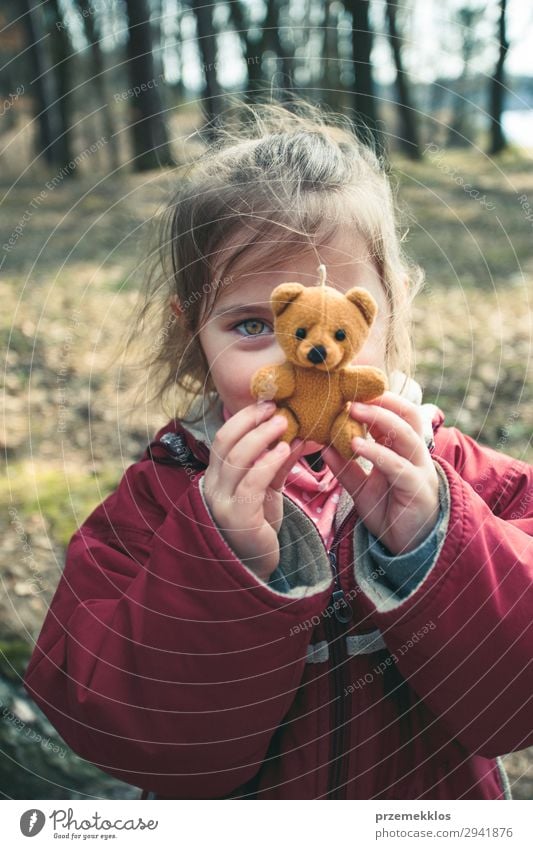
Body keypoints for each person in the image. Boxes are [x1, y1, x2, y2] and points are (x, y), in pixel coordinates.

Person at [24, 101, 533, 800]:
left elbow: (514, 705)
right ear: (193, 330)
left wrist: (431, 541)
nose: (303, 359)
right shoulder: (156, 502)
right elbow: (115, 723)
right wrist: (223, 556)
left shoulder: (478, 485)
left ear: (393, 305)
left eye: (337, 324)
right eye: (250, 323)